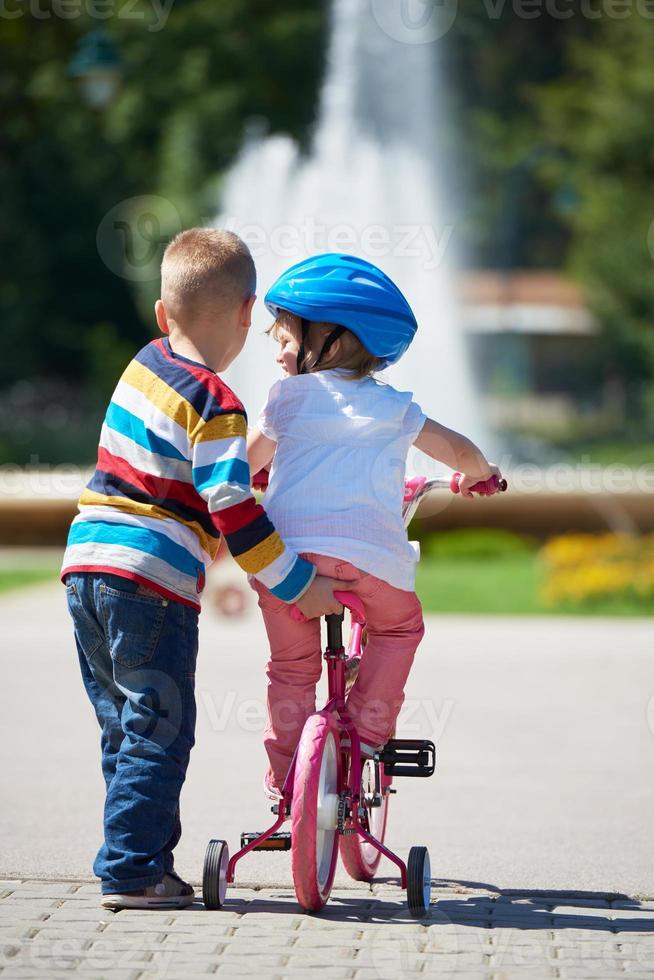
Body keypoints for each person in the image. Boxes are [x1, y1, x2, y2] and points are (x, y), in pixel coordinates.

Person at [61, 230, 348, 910]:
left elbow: (188, 474)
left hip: (86, 568)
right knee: (161, 728)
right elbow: (231, 507)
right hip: (151, 582)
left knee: (128, 725)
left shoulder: (143, 366)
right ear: (251, 313)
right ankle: (131, 871)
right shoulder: (218, 403)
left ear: (164, 314)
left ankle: (140, 859)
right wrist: (299, 585)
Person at [247, 253, 502, 799]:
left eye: (287, 341)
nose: (277, 355)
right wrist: (480, 476)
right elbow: (458, 450)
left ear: (331, 344)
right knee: (398, 630)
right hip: (369, 561)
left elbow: (246, 463)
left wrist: (261, 473)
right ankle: (364, 736)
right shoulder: (394, 408)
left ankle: (285, 778)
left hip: (285, 564)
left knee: (290, 669)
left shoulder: (285, 401)